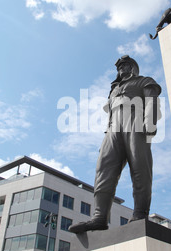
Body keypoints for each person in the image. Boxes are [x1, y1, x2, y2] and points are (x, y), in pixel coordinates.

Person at [69, 55, 162, 233]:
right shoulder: (113, 90)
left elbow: (152, 101)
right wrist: (106, 139)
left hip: (136, 122)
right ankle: (99, 217)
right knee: (104, 169)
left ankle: (140, 214)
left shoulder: (144, 81)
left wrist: (150, 123)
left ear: (133, 67)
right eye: (120, 67)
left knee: (140, 167)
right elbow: (111, 115)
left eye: (126, 65)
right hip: (113, 129)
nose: (122, 68)